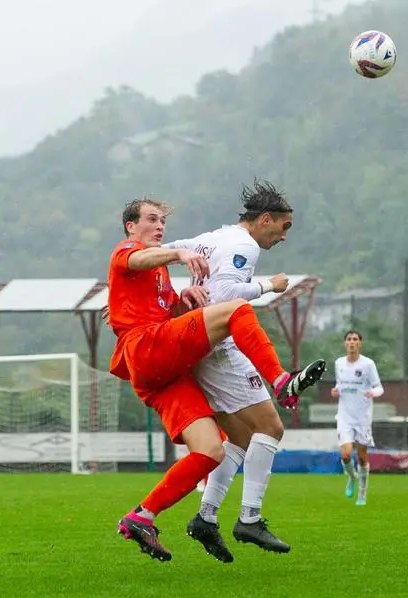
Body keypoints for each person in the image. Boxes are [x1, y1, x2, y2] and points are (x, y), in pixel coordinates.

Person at [107, 197, 325, 562]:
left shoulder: (158, 270)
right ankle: (281, 381)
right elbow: (136, 260)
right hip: (146, 350)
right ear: (131, 226)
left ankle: (142, 516)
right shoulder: (128, 251)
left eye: (162, 220)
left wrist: (184, 299)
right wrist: (177, 255)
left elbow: (163, 310)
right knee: (237, 310)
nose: (159, 226)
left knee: (211, 450)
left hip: (162, 371)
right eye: (151, 219)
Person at [163, 179, 295, 561]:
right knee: (270, 428)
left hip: (199, 349)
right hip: (219, 348)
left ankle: (206, 516)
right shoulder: (244, 245)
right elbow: (224, 298)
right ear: (265, 219)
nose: (284, 236)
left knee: (237, 436)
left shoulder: (212, 238)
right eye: (283, 227)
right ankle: (250, 518)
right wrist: (270, 285)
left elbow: (165, 252)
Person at [331, 330, 383, 506]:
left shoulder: (368, 364)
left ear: (360, 344)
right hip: (344, 416)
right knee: (345, 454)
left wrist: (372, 392)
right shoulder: (339, 363)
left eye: (355, 340)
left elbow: (379, 388)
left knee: (361, 458)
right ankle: (352, 477)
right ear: (345, 343)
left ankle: (362, 494)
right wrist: (335, 390)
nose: (352, 342)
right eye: (349, 339)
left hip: (362, 417)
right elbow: (340, 383)